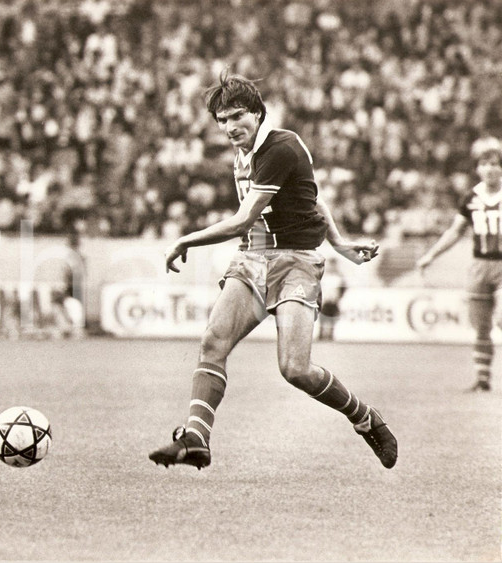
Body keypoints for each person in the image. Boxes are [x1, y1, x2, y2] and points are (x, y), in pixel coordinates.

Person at [148, 71, 397, 470]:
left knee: (295, 369)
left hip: (295, 260)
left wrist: (185, 240)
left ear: (258, 113)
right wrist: (341, 243)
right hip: (252, 259)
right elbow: (312, 201)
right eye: (222, 120)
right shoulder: (243, 153)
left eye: (237, 116)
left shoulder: (282, 147)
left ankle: (365, 418)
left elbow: (244, 219)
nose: (230, 127)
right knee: (213, 341)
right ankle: (196, 437)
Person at [416, 137, 502, 393]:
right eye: (485, 164)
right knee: (481, 327)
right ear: (478, 169)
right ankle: (483, 380)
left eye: (496, 164)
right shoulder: (471, 198)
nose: (491, 169)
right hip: (479, 266)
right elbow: (455, 232)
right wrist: (430, 256)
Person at [318, 256, 348, 341]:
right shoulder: (324, 277)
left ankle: (331, 335)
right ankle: (321, 335)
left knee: (332, 318)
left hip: (333, 301)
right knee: (323, 318)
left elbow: (343, 289)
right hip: (324, 300)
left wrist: (338, 297)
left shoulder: (339, 277)